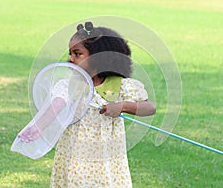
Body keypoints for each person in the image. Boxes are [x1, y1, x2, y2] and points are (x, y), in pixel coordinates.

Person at [50, 22, 156, 187]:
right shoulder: (70, 86)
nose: (70, 58)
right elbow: (55, 106)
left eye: (77, 54)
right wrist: (36, 128)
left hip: (108, 159)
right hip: (76, 157)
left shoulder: (121, 86)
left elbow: (149, 108)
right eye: (70, 53)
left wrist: (122, 106)